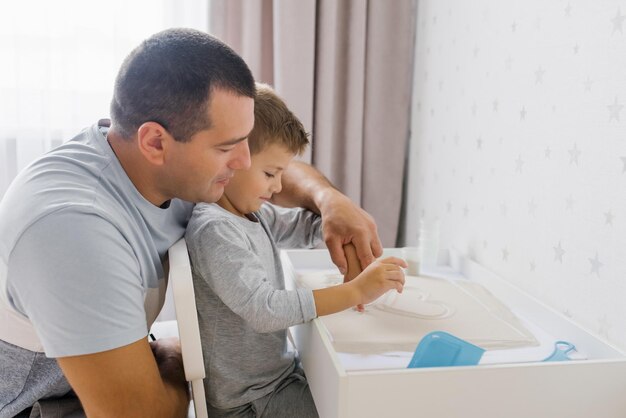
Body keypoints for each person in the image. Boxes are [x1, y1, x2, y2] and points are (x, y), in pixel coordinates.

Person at [0, 29, 383, 418]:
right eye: (225, 148)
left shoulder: (161, 165)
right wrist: (178, 353)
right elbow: (139, 414)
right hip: (35, 405)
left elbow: (271, 170)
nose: (244, 164)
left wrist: (330, 200)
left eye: (245, 142)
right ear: (155, 142)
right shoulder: (74, 230)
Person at [185, 83, 406, 418]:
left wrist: (341, 225)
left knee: (355, 384)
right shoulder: (216, 230)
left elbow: (299, 227)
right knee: (360, 405)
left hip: (271, 380)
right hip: (249, 402)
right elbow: (265, 310)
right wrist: (355, 290)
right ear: (233, 161)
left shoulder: (247, 214)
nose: (277, 187)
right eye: (270, 173)